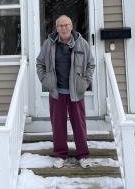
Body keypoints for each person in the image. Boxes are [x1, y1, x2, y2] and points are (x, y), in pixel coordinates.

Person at [36, 15, 95, 168]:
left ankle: (82, 155)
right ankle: (61, 154)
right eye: (60, 26)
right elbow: (40, 63)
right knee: (58, 125)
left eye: (66, 25)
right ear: (56, 28)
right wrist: (45, 80)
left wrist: (85, 81)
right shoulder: (49, 44)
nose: (63, 28)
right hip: (57, 92)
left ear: (71, 26)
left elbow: (91, 64)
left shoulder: (82, 43)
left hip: (76, 92)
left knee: (79, 124)